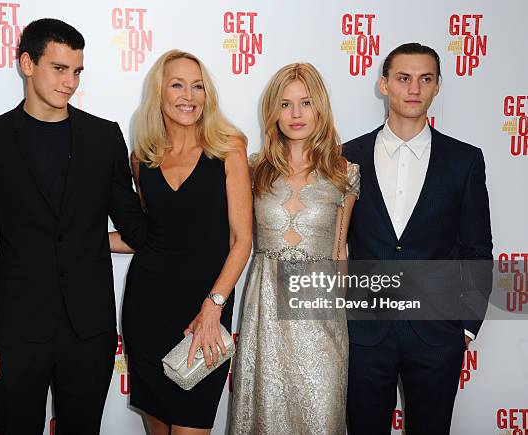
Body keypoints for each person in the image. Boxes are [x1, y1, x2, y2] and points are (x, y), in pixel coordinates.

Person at [0, 18, 146, 434]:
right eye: (59, 69)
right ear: (27, 63)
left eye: (77, 71)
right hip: (13, 329)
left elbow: (136, 227)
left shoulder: (104, 137)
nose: (70, 82)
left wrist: (171, 181)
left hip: (89, 332)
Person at [343, 43, 493, 434]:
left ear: (437, 87)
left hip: (437, 334)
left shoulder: (465, 160)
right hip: (363, 333)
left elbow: (477, 248)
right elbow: (335, 244)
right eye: (404, 78)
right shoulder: (346, 157)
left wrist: (465, 326)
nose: (414, 89)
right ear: (384, 84)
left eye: (425, 79)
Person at [109, 49, 252, 434]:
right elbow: (148, 236)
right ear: (160, 92)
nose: (188, 95)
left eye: (197, 86)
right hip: (147, 309)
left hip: (206, 311)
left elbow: (242, 240)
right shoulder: (144, 158)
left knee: (191, 424)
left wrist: (214, 306)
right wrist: (77, 238)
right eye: (177, 85)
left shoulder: (229, 147)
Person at [229, 63, 359, 434]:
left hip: (321, 313)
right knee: (265, 416)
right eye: (286, 105)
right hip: (264, 310)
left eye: (306, 102)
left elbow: (339, 250)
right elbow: (234, 236)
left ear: (320, 107)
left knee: (322, 414)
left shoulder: (343, 172)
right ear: (273, 112)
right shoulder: (254, 169)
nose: (297, 114)